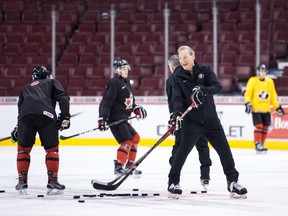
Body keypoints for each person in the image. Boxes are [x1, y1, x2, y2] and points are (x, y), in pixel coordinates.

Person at [167, 45, 247, 199]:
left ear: (193, 56)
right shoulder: (177, 78)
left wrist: (204, 90)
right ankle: (173, 182)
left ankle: (232, 181)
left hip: (211, 120)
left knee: (225, 150)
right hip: (192, 121)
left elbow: (218, 86)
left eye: (186, 57)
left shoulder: (205, 70)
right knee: (182, 152)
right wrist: (175, 115)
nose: (183, 60)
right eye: (181, 58)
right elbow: (176, 99)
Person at [10, 66, 70, 195]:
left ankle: (22, 180)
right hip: (46, 116)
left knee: (23, 150)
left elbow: (21, 109)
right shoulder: (52, 82)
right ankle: (52, 180)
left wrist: (18, 128)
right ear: (47, 75)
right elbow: (63, 97)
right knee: (52, 150)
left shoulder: (25, 87)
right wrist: (65, 116)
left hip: (25, 118)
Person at [166, 55, 212, 191]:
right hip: (200, 118)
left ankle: (174, 178)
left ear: (172, 67)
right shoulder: (195, 75)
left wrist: (173, 118)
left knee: (179, 147)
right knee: (203, 146)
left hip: (184, 120)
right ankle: (205, 176)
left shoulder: (172, 80)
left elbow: (173, 102)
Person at [98, 59, 147, 176]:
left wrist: (136, 108)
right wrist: (102, 118)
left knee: (136, 138)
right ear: (117, 70)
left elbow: (129, 102)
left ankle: (130, 166)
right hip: (115, 119)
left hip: (124, 118)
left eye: (127, 68)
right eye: (124, 68)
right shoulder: (114, 82)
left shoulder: (126, 82)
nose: (126, 70)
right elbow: (106, 102)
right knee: (127, 141)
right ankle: (119, 166)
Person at [244, 64, 285, 153]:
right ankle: (257, 143)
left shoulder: (269, 81)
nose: (263, 73)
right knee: (259, 126)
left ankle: (262, 143)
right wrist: (248, 102)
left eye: (264, 71)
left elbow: (273, 96)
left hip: (266, 109)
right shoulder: (252, 80)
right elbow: (248, 94)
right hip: (256, 109)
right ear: (258, 71)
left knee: (265, 127)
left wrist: (277, 107)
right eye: (261, 71)